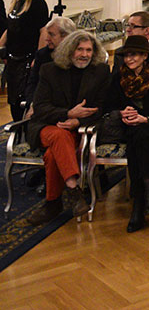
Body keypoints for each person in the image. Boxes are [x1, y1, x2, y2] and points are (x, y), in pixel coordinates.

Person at [25, 31, 108, 225]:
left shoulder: (101, 71)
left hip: (79, 129)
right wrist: (68, 114)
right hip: (48, 126)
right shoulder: (49, 70)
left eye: (89, 50)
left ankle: (53, 203)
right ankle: (73, 189)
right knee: (59, 136)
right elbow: (41, 107)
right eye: (80, 49)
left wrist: (78, 121)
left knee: (52, 155)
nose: (85, 54)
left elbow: (103, 106)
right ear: (69, 50)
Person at [104, 35, 149, 232]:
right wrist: (122, 112)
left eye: (134, 55)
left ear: (144, 56)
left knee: (139, 137)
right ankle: (146, 190)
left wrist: (147, 118)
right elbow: (109, 105)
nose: (129, 59)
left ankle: (139, 200)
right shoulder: (119, 76)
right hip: (127, 127)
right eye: (126, 55)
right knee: (136, 136)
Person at [1, 0, 49, 121]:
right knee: (13, 98)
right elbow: (10, 29)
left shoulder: (37, 3)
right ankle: (17, 126)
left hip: (28, 58)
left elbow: (43, 31)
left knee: (24, 97)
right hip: (13, 59)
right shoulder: (16, 3)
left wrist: (38, 57)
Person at [23, 16, 77, 116]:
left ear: (66, 37)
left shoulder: (79, 56)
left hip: (70, 107)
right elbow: (33, 83)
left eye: (51, 35)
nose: (47, 39)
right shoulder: (42, 55)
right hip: (44, 105)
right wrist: (33, 104)